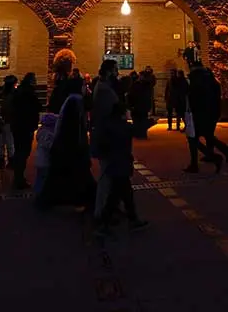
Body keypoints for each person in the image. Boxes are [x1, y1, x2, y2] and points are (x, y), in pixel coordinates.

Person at [36, 83, 96, 210]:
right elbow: (77, 126)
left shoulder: (70, 102)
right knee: (76, 176)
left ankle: (47, 201)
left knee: (59, 177)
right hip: (72, 148)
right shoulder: (76, 102)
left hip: (66, 148)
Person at [94, 101, 148, 235]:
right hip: (121, 163)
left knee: (124, 192)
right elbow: (137, 130)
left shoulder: (108, 125)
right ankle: (106, 223)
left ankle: (131, 218)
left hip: (114, 162)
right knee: (117, 194)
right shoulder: (123, 127)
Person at [186, 65, 228, 172]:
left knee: (193, 139)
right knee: (207, 136)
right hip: (211, 114)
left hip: (200, 115)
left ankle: (209, 158)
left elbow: (195, 100)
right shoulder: (213, 83)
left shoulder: (198, 85)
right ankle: (223, 150)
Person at [91, 60, 121, 222]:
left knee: (112, 176)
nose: (117, 73)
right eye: (116, 70)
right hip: (107, 137)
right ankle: (101, 212)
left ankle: (110, 209)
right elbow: (112, 111)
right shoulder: (104, 90)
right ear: (109, 71)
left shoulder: (102, 86)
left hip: (106, 136)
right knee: (106, 177)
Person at [9, 72, 41, 190]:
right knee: (23, 152)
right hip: (26, 126)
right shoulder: (29, 93)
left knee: (19, 151)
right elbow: (36, 106)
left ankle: (18, 177)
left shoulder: (18, 91)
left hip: (17, 125)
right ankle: (19, 179)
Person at [33, 112, 57, 196]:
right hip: (45, 161)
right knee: (44, 178)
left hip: (40, 160)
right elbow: (49, 146)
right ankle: (42, 194)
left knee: (40, 178)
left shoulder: (41, 132)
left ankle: (38, 193)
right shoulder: (48, 134)